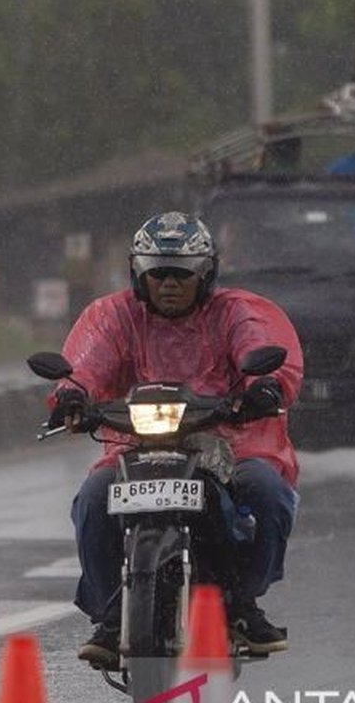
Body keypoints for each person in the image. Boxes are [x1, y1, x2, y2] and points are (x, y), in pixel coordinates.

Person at [48, 211, 304, 667]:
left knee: (266, 492)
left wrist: (262, 388)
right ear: (138, 274)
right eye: (157, 273)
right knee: (92, 499)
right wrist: (71, 396)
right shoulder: (114, 316)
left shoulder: (237, 312)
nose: (168, 284)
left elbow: (262, 351)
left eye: (181, 274)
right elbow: (86, 364)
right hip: (135, 442)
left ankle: (242, 604)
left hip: (229, 442)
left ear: (205, 274)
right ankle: (111, 617)